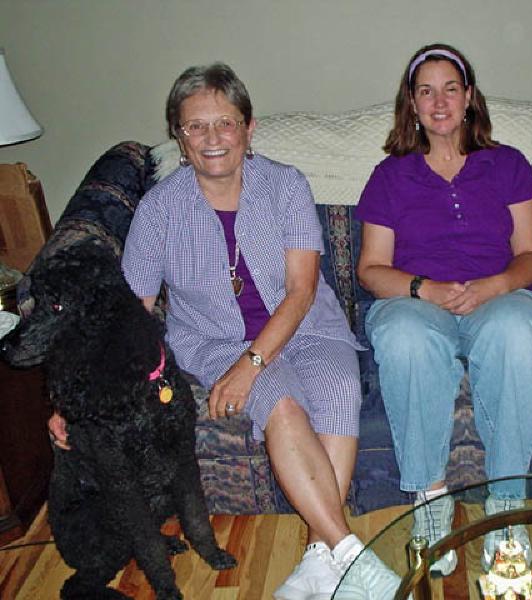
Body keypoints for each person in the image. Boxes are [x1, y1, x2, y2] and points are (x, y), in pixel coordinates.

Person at [51, 63, 399, 600]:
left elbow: (302, 290)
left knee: (339, 389)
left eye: (225, 123)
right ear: (179, 136)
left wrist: (251, 364)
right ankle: (353, 557)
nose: (212, 138)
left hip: (309, 327)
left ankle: (318, 559)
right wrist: (76, 399)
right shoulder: (158, 210)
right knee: (280, 402)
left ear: (248, 127)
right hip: (215, 342)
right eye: (196, 126)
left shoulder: (285, 184)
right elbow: (127, 315)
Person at [356, 43, 532, 575]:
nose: (439, 102)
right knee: (404, 337)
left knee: (518, 330)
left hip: (498, 294)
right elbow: (371, 269)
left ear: (468, 98)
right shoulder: (390, 176)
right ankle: (431, 501)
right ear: (412, 105)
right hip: (419, 303)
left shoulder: (507, 164)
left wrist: (494, 286)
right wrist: (426, 289)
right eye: (426, 91)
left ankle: (506, 508)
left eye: (450, 88)